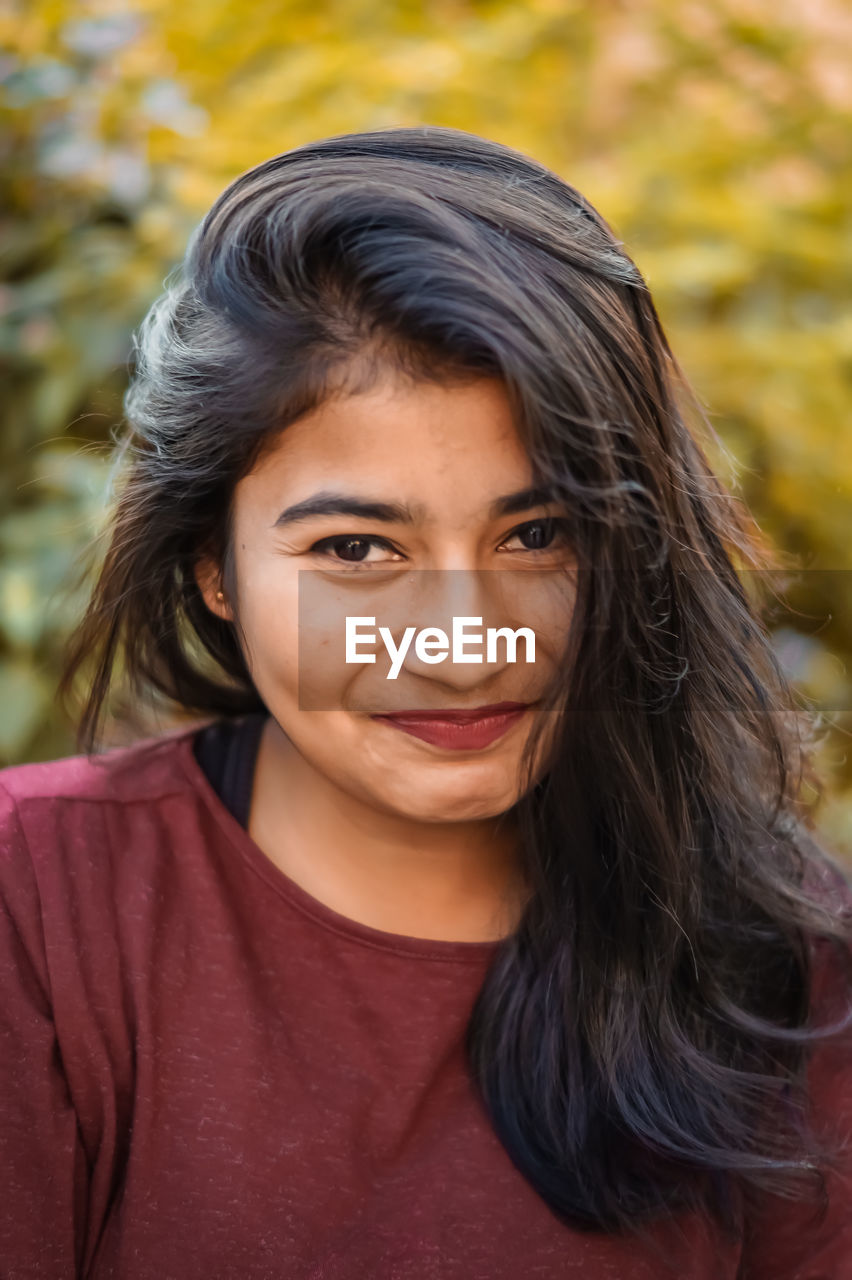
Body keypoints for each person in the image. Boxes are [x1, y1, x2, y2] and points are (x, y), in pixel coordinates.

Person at [1, 125, 850, 1279]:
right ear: (213, 562)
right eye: (357, 548)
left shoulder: (784, 956)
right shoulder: (37, 911)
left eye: (538, 535)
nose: (460, 646)